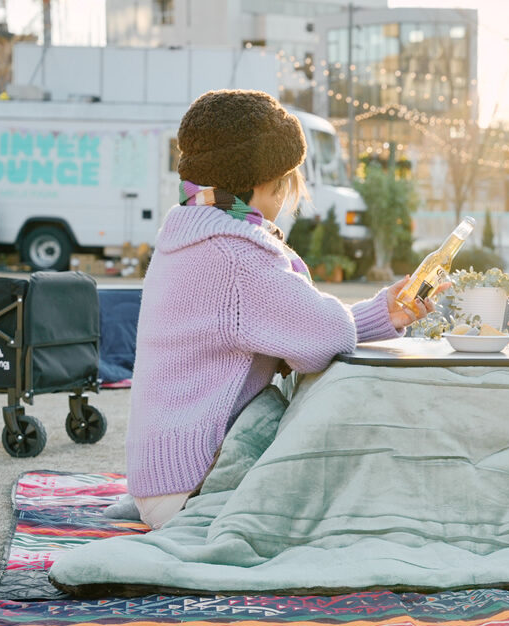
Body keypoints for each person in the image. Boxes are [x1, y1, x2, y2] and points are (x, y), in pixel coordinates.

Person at [125, 89, 441, 529]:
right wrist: (382, 314)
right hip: (195, 487)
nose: (289, 193)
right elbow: (323, 336)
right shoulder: (237, 255)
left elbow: (298, 319)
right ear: (262, 180)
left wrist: (384, 313)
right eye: (286, 179)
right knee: (340, 413)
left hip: (162, 476)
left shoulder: (190, 230)